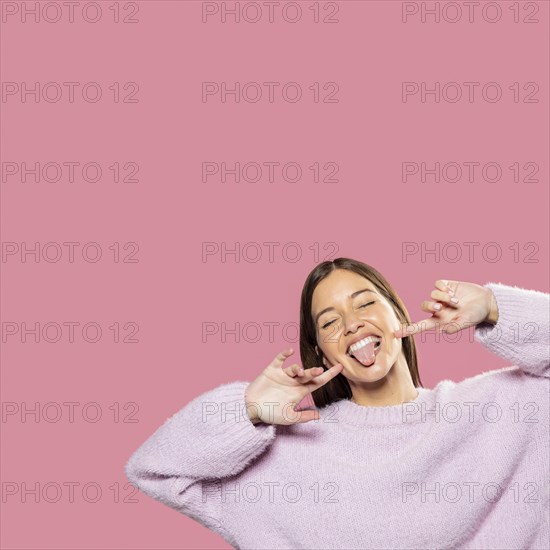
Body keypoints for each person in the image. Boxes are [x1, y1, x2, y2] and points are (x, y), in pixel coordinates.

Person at [124, 258, 549, 550]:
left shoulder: (499, 413)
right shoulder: (283, 459)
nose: (352, 324)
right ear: (322, 352)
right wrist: (246, 409)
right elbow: (156, 470)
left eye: (365, 302)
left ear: (396, 313)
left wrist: (495, 307)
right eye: (329, 321)